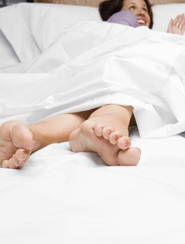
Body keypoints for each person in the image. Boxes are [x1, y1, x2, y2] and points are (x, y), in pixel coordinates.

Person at [0, 0, 185, 169]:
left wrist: (171, 37)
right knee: (125, 72)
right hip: (106, 64)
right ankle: (108, 120)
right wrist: (124, 22)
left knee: (117, 89)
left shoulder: (155, 39)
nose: (141, 13)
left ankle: (35, 135)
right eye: (132, 7)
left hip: (134, 72)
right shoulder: (110, 29)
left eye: (145, 10)